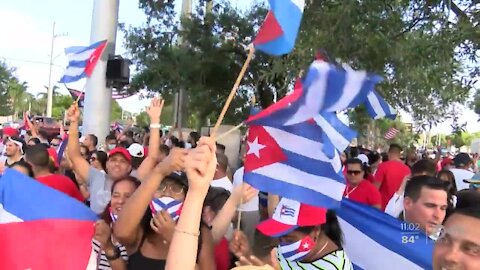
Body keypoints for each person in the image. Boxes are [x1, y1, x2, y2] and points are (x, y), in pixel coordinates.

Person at [114, 147, 216, 270]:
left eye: (176, 189)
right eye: (160, 187)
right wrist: (160, 170)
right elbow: (120, 232)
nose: (167, 193)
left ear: (186, 197)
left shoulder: (201, 233)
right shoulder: (141, 227)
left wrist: (175, 240)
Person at [232, 197, 354, 269]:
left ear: (316, 231)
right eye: (279, 238)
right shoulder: (290, 249)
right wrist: (248, 254)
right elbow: (267, 264)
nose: (282, 244)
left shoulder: (336, 267)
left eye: (289, 239)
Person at [94, 176, 141, 270]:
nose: (120, 201)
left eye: (128, 196)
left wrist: (108, 246)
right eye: (116, 195)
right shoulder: (98, 226)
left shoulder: (142, 238)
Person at [374, 144, 411, 210]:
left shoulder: (383, 166)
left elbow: (375, 189)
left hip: (383, 207)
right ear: (399, 155)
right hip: (398, 208)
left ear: (389, 153)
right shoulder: (407, 169)